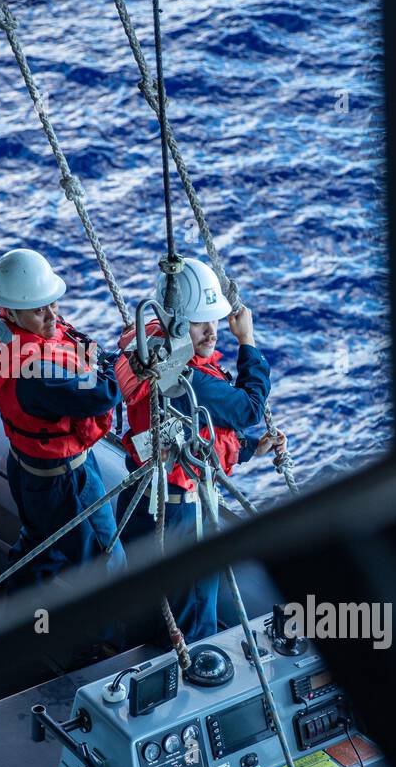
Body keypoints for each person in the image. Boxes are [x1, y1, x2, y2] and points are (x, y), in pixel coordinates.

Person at [118, 258, 287, 642]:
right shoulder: (191, 379)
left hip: (140, 495)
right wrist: (247, 341)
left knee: (147, 601)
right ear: (175, 324)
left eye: (213, 320)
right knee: (193, 610)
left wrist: (246, 450)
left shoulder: (146, 349)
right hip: (177, 510)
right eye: (200, 322)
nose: (212, 331)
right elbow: (247, 408)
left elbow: (192, 434)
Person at [0, 249, 126, 585]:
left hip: (27, 467)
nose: (51, 315)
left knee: (40, 544)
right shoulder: (37, 371)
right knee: (105, 561)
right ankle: (109, 637)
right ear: (12, 311)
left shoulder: (2, 330)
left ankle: (27, 619)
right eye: (39, 310)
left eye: (53, 303)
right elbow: (102, 395)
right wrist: (130, 364)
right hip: (65, 479)